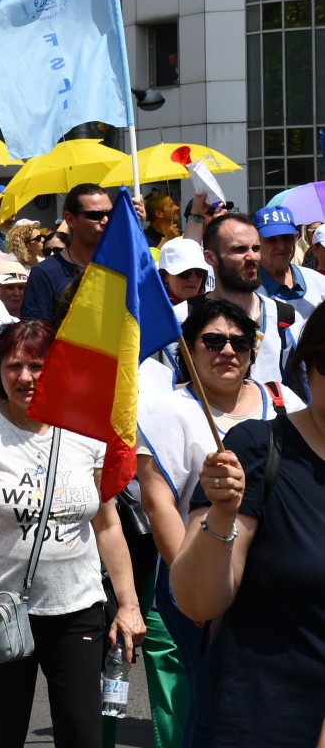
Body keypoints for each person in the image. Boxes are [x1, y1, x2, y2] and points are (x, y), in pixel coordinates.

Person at [0, 319, 146, 748]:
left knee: (82, 732)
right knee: (1, 732)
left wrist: (128, 604)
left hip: (76, 608)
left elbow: (108, 524)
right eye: (13, 366)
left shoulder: (86, 429)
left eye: (37, 365)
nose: (25, 377)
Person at [135, 297, 305, 748]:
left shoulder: (284, 399)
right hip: (201, 581)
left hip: (275, 582)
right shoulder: (165, 412)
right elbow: (159, 507)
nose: (228, 350)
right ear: (188, 350)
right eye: (213, 341)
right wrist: (196, 594)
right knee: (215, 704)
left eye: (240, 341)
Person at [169, 311, 325, 748]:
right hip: (270, 718)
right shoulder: (257, 448)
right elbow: (197, 602)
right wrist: (220, 514)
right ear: (306, 367)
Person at [192, 213, 300, 391]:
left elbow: (300, 393)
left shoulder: (285, 316)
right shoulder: (183, 317)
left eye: (256, 248)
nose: (253, 258)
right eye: (240, 249)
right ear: (210, 258)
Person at [23, 185, 116, 323]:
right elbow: (36, 336)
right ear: (70, 219)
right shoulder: (44, 273)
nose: (105, 221)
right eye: (95, 215)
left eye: (110, 214)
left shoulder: (123, 267)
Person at [255, 204, 325, 323]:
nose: (281, 246)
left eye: (287, 238)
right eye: (272, 239)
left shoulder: (319, 283)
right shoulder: (245, 292)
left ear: (296, 238)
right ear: (256, 240)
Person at [157, 236, 209, 305]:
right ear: (165, 276)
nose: (193, 279)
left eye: (199, 272)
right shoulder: (148, 310)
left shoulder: (212, 310)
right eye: (185, 272)